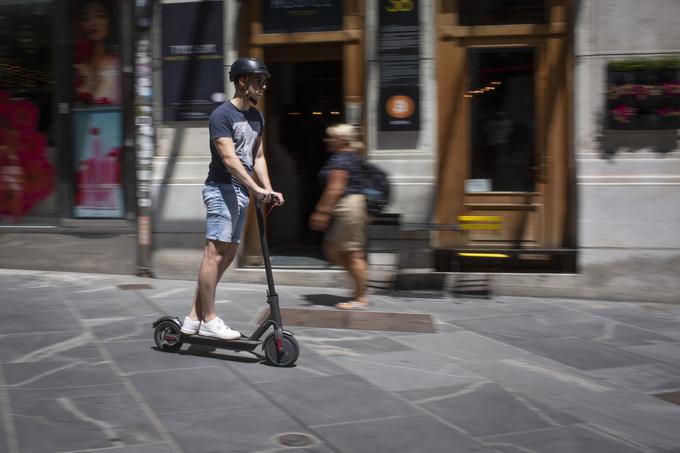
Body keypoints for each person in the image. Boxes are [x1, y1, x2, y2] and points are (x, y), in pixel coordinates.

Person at [181, 57, 284, 339]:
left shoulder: (256, 116)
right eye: (258, 81)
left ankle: (193, 318)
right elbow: (230, 159)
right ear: (242, 82)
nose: (262, 87)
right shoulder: (222, 115)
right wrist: (255, 188)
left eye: (264, 82)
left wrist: (268, 188)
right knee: (213, 255)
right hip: (221, 188)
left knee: (226, 255)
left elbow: (257, 156)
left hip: (240, 192)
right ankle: (210, 319)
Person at [309, 124, 369, 310]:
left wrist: (321, 212)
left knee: (352, 254)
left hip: (348, 206)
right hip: (347, 207)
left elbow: (334, 189)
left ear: (341, 140)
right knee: (332, 248)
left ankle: (360, 297)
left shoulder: (342, 159)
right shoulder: (349, 156)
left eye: (331, 137)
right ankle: (359, 288)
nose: (327, 140)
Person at [73, 0, 122, 105]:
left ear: (110, 21)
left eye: (100, 16)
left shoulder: (118, 64)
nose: (94, 23)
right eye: (86, 18)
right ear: (80, 24)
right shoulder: (76, 67)